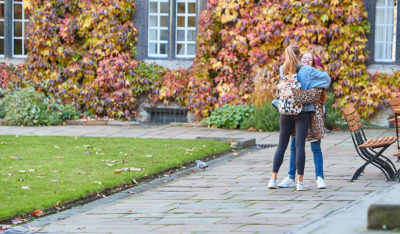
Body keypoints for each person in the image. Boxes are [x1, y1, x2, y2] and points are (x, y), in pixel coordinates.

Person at [268, 46, 331, 191]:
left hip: (312, 115)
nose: (307, 60)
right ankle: (292, 178)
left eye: (310, 59)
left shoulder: (312, 74)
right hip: (299, 113)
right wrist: (280, 87)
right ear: (299, 59)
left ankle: (319, 178)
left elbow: (314, 95)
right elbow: (282, 92)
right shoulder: (297, 70)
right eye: (305, 58)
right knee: (294, 146)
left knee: (315, 146)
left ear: (313, 63)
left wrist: (294, 93)